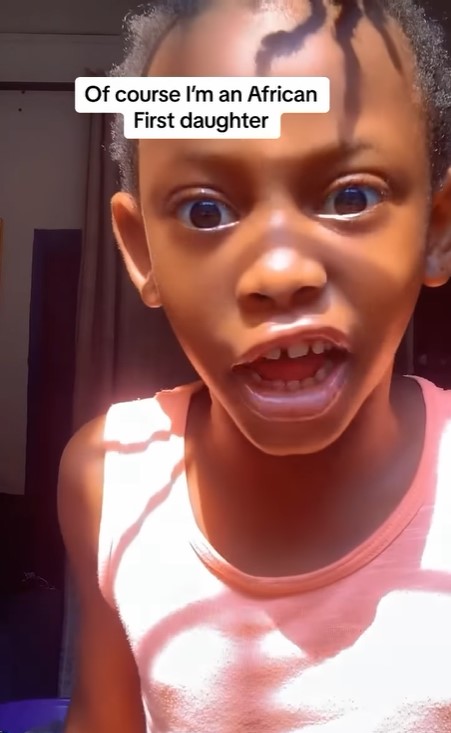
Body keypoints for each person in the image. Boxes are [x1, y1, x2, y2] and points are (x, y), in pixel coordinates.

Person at [59, 1, 451, 731]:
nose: (279, 271)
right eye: (205, 211)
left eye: (351, 197)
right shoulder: (110, 478)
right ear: (142, 251)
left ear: (435, 227)